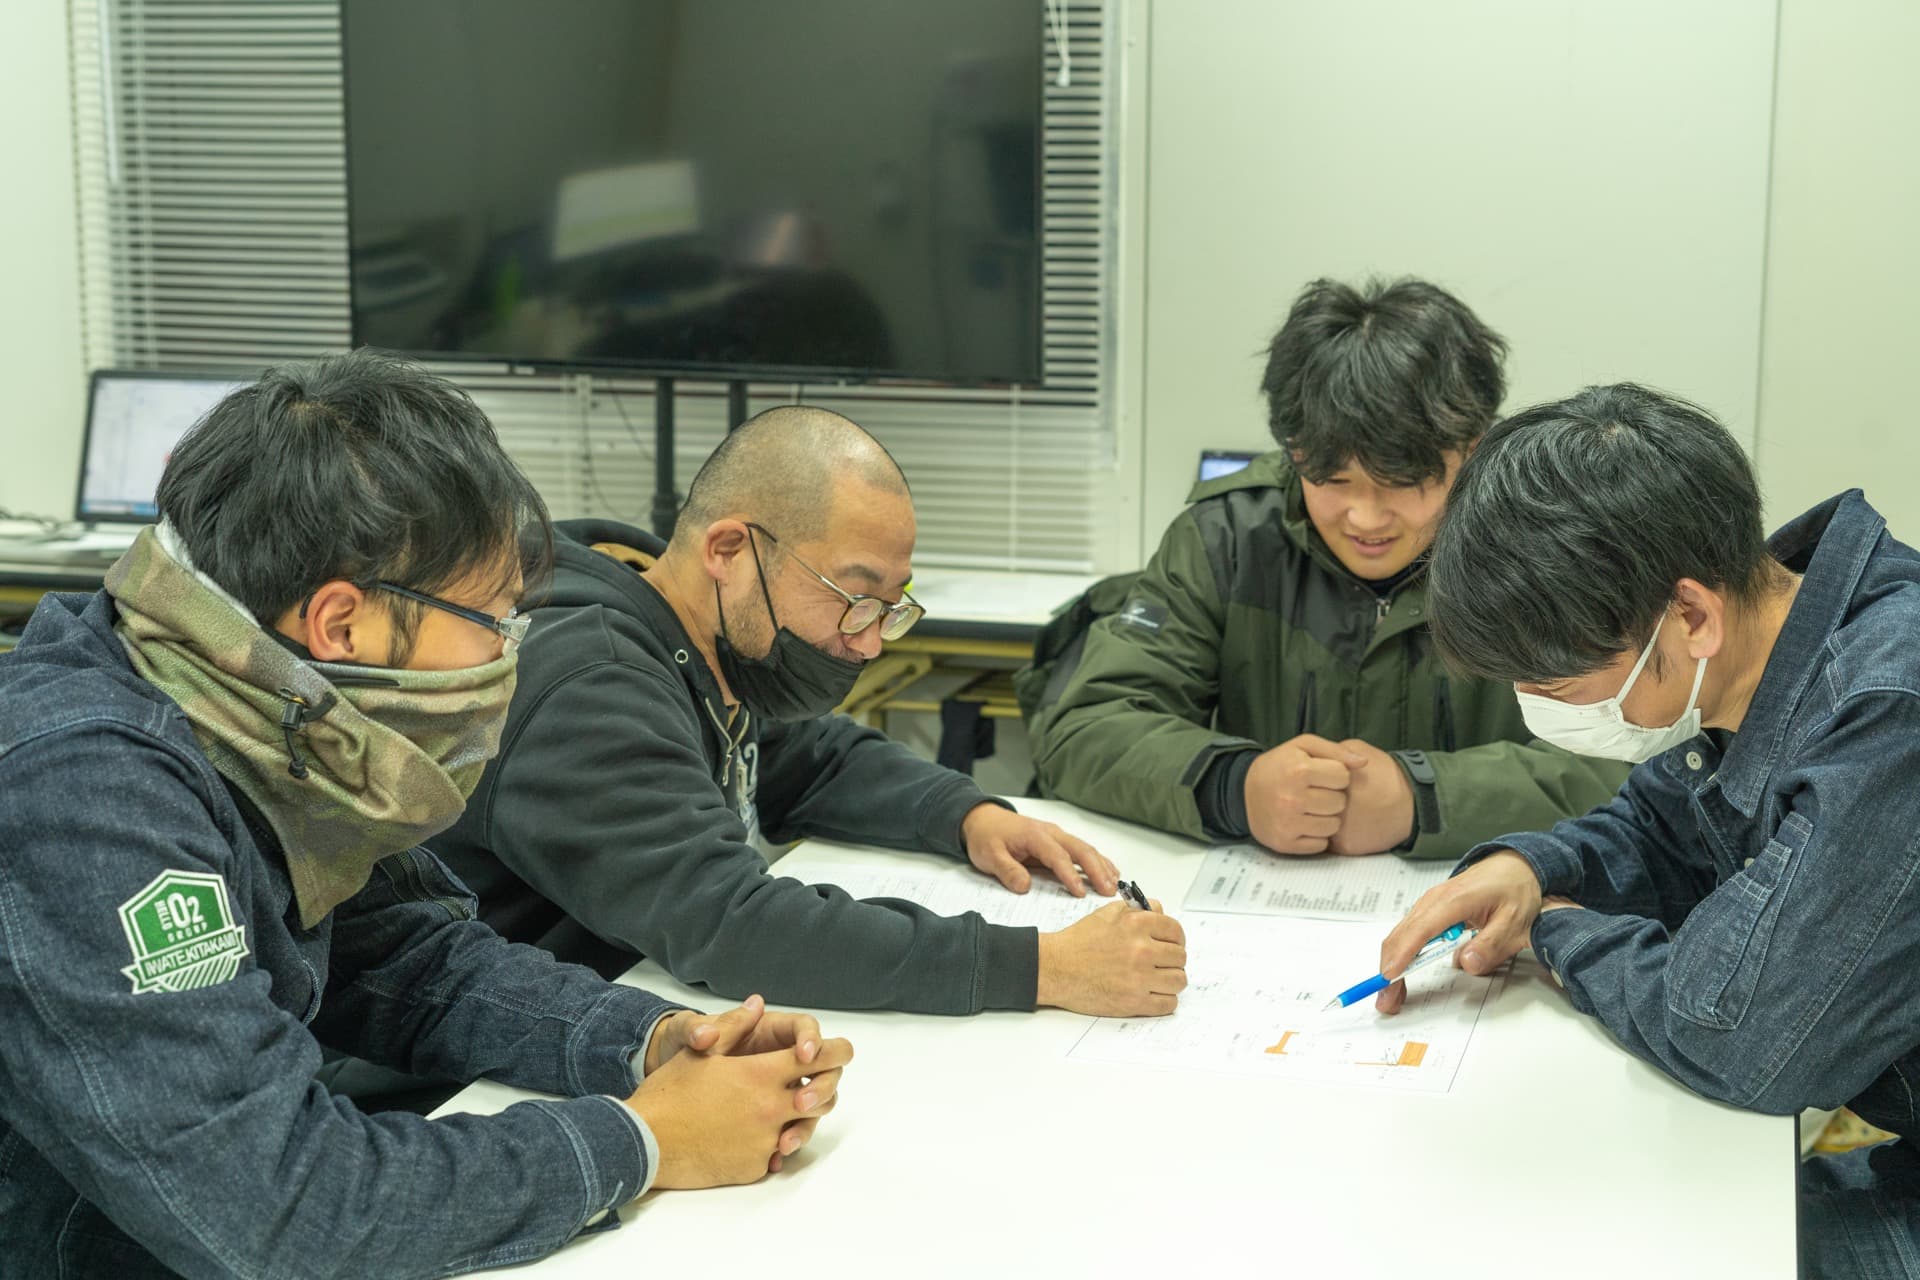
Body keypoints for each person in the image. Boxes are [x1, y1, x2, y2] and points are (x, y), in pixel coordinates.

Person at [0, 351, 851, 1277]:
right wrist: (644, 1142)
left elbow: (406, 958)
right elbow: (279, 1206)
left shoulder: (248, 699)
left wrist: (649, 1041)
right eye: (493, 621)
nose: (509, 654)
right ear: (341, 624)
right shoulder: (85, 796)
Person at [1376, 383, 1920, 1278]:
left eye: (1555, 686)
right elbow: (1665, 828)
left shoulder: (1887, 709)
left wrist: (1555, 928)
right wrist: (1531, 867)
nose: (1537, 709)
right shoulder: (1770, 643)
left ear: (1691, 615)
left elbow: (1742, 1039)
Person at [433, 405, 1188, 1017]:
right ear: (728, 551)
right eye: (853, 599)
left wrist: (967, 816)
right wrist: (1042, 967)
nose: (868, 643)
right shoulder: (590, 683)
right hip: (474, 1080)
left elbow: (811, 759)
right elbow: (731, 925)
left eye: (889, 608)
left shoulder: (698, 635)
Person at [1026, 277, 1627, 857]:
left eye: (1403, 482)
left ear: (1472, 447)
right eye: (1334, 480)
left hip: (1490, 896)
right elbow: (1085, 727)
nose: (1365, 518)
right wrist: (1235, 786)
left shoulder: (1543, 549)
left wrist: (1423, 799)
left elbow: (1627, 762)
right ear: (1295, 452)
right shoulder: (1226, 539)